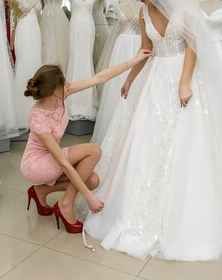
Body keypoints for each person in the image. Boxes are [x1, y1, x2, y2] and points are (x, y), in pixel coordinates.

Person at [84, 0, 222, 261]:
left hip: (182, 76)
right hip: (154, 78)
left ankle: (184, 216)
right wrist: (130, 78)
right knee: (147, 142)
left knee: (185, 143)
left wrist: (184, 83)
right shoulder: (145, 11)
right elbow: (145, 51)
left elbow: (193, 45)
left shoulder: (183, 3)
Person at [20, 49, 152, 233]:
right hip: (35, 164)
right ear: (54, 90)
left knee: (92, 180)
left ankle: (41, 191)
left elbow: (99, 78)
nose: (68, 84)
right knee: (94, 150)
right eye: (64, 82)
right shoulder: (37, 117)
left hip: (50, 160)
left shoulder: (61, 96)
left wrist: (134, 61)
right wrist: (88, 197)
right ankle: (66, 204)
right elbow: (64, 163)